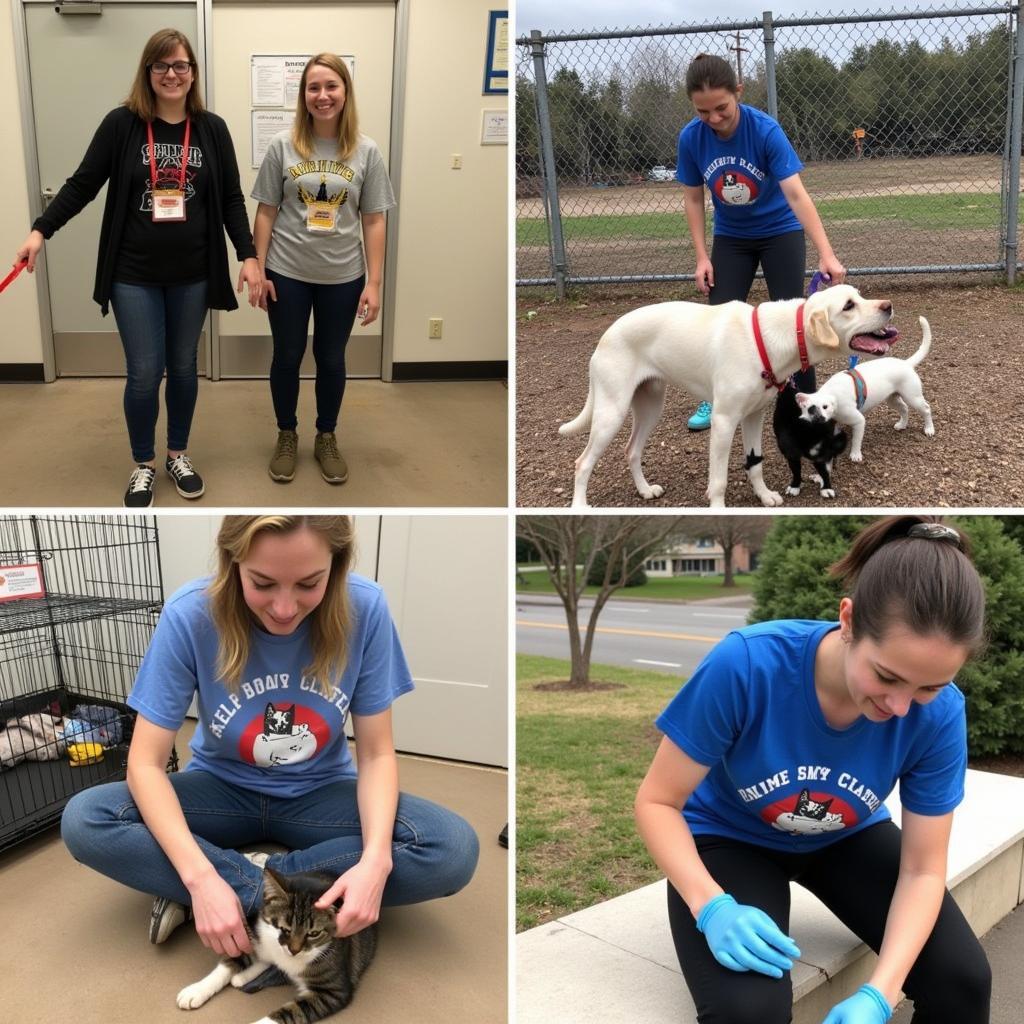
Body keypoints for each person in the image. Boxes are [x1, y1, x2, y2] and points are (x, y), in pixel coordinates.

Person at [61, 515, 479, 971]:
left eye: (308, 584)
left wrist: (377, 861)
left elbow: (376, 754)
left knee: (450, 847)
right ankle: (262, 891)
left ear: (336, 568)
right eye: (262, 583)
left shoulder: (366, 608)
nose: (284, 608)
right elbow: (144, 763)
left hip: (320, 793)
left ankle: (238, 881)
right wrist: (201, 880)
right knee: (88, 819)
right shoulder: (190, 614)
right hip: (220, 790)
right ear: (233, 562)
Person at [635, 515, 991, 1024]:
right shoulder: (747, 665)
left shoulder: (941, 714)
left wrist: (880, 993)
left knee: (963, 982)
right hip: (730, 839)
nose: (900, 705)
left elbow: (923, 869)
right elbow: (657, 802)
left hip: (847, 839)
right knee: (747, 1012)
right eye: (887, 676)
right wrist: (711, 906)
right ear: (848, 621)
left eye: (928, 687)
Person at [15, 29, 262, 508]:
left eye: (181, 66)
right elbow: (83, 183)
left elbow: (230, 198)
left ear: (192, 73)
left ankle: (178, 454)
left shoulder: (211, 128)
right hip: (133, 273)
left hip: (193, 272)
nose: (172, 74)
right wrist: (40, 230)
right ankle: (144, 463)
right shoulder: (122, 125)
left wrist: (248, 255)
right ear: (147, 72)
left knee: (185, 367)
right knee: (146, 372)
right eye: (161, 66)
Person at [676, 53, 846, 431]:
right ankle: (716, 397)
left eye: (721, 108)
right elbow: (692, 198)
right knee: (718, 320)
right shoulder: (691, 137)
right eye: (704, 112)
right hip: (732, 237)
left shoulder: (765, 130)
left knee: (795, 322)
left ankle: (805, 407)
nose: (714, 119)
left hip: (779, 232)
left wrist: (826, 252)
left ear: (738, 92)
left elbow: (796, 195)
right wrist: (702, 256)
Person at [251, 53, 395, 486]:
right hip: (287, 271)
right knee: (287, 356)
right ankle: (287, 433)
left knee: (331, 358)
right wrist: (257, 268)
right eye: (313, 88)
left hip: (342, 276)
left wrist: (374, 282)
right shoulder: (282, 145)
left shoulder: (366, 150)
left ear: (345, 92)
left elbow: (373, 219)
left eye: (331, 86)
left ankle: (326, 436)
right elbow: (266, 211)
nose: (322, 95)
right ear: (304, 96)